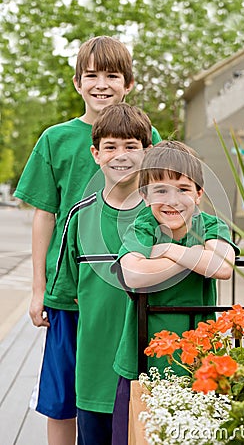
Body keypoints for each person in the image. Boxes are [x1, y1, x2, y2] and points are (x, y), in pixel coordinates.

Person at [13, 36, 161, 445]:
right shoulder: (56, 140)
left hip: (127, 291)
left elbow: (165, 202)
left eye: (112, 75)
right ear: (77, 82)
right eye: (91, 75)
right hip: (69, 290)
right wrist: (38, 290)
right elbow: (44, 215)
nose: (101, 84)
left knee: (124, 394)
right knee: (62, 398)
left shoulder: (145, 135)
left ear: (128, 83)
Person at [111, 140, 240, 444]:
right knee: (136, 432)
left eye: (183, 189)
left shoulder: (211, 225)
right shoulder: (143, 224)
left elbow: (221, 267)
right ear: (144, 196)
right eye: (161, 190)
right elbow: (134, 273)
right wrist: (196, 259)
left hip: (197, 355)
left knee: (194, 432)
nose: (172, 199)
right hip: (142, 352)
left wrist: (167, 250)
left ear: (198, 194)